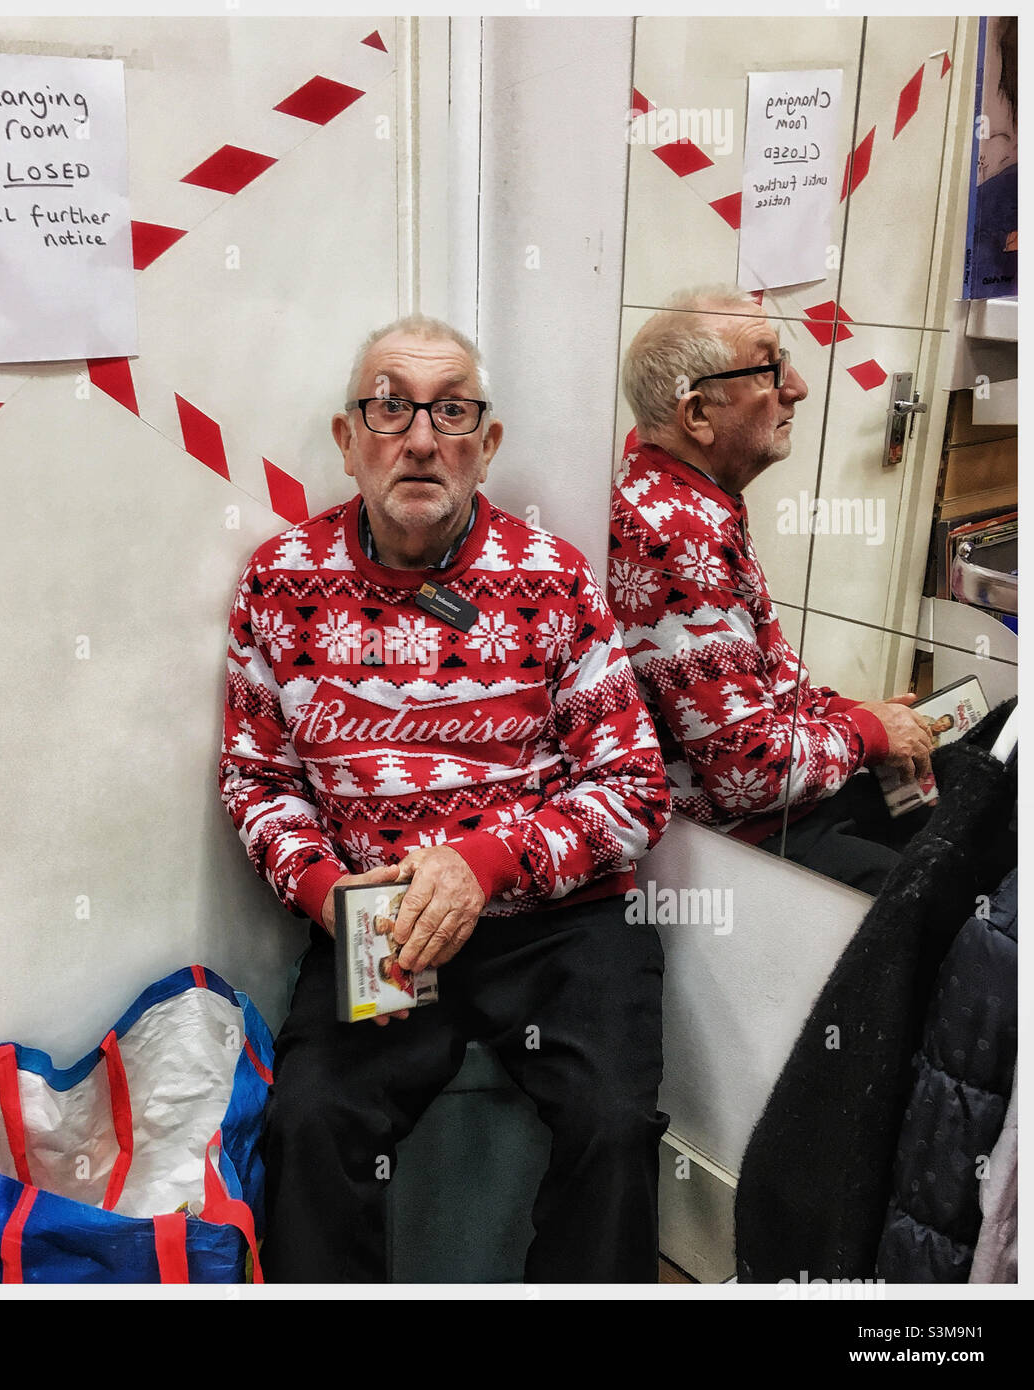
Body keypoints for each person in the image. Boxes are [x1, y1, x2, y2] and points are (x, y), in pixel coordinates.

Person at [220, 314, 671, 1282]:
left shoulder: (551, 578)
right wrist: (329, 900)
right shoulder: (278, 578)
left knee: (613, 1124)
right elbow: (256, 780)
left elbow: (634, 784)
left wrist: (485, 862)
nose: (419, 437)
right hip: (376, 922)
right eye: (389, 406)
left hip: (555, 923)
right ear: (348, 439)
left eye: (451, 410)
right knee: (308, 1125)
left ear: (486, 442)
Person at [609, 286, 936, 894]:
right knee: (943, 901)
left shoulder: (672, 480)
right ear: (697, 415)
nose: (797, 387)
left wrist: (856, 717)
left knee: (954, 791)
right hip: (750, 838)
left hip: (776, 804)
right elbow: (751, 772)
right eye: (769, 368)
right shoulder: (678, 534)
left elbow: (766, 684)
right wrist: (868, 733)